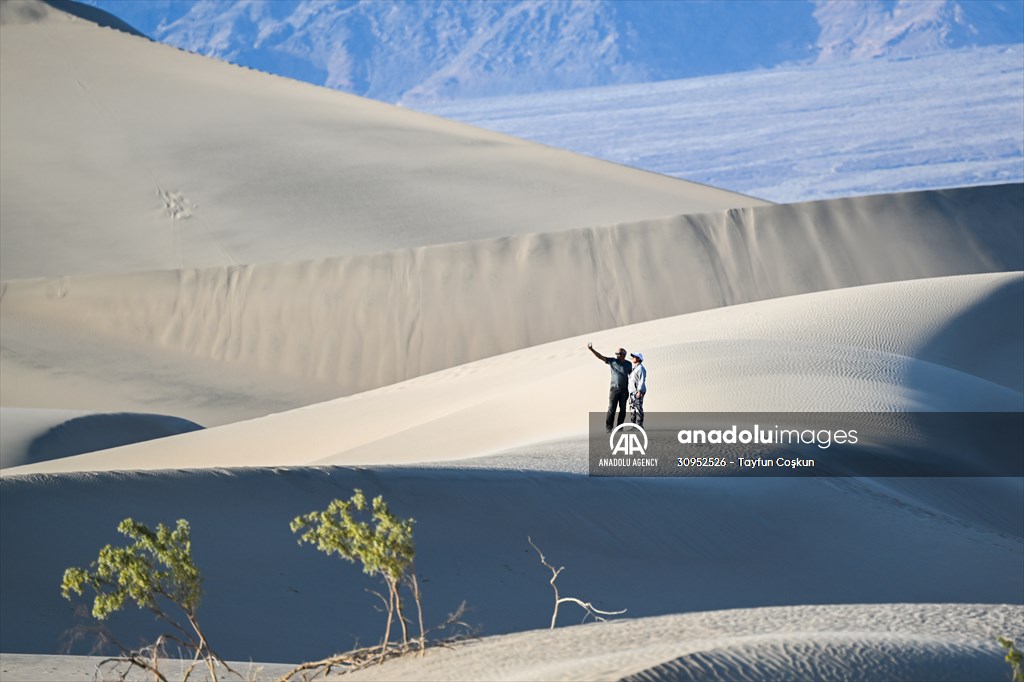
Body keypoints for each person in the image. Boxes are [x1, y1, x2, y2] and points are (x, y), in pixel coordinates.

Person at [588, 343, 632, 431]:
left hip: (624, 390)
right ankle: (609, 428)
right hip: (614, 390)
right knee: (611, 409)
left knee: (623, 410)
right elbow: (601, 357)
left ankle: (620, 428)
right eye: (616, 354)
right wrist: (591, 349)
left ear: (623, 355)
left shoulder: (628, 364)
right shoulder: (612, 361)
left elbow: (632, 376)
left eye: (618, 354)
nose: (616, 355)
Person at [629, 351, 647, 427]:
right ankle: (634, 426)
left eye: (634, 357)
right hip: (632, 392)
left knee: (638, 408)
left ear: (638, 358)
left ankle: (640, 426)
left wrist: (639, 391)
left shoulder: (640, 368)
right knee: (632, 408)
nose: (632, 358)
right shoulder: (635, 368)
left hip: (637, 392)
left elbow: (642, 380)